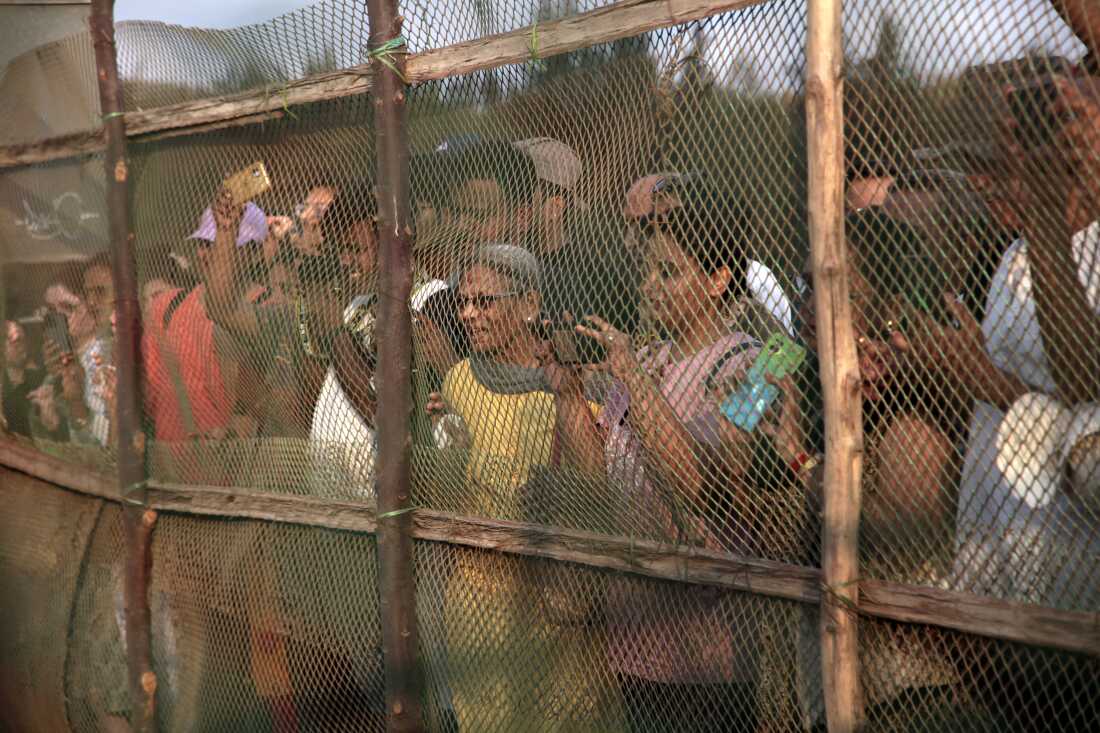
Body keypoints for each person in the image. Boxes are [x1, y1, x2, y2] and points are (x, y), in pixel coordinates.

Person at [563, 179, 809, 731]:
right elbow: (597, 471)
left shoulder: (762, 366)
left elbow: (701, 480)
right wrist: (564, 393)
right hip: (634, 633)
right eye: (647, 272)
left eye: (669, 273)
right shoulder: (646, 358)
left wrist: (632, 379)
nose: (649, 287)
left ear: (719, 279)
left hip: (708, 646)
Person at [429, 243, 625, 731]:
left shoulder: (568, 386)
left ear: (530, 305)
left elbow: (595, 479)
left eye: (485, 301)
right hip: (478, 599)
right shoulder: (457, 380)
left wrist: (567, 400)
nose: (469, 314)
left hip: (551, 597)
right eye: (464, 302)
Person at [141, 199, 268, 482]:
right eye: (203, 243)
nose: (204, 253)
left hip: (231, 486)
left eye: (217, 243)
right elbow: (147, 399)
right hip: (168, 482)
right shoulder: (164, 307)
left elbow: (265, 405)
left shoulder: (267, 309)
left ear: (255, 253)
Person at [624, 171, 794, 339]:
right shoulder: (641, 277)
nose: (631, 239)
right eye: (628, 225)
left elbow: (779, 352)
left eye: (645, 223)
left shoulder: (756, 278)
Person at [515, 136, 642, 337]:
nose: (514, 203)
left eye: (523, 192)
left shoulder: (588, 279)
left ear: (555, 208)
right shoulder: (505, 264)